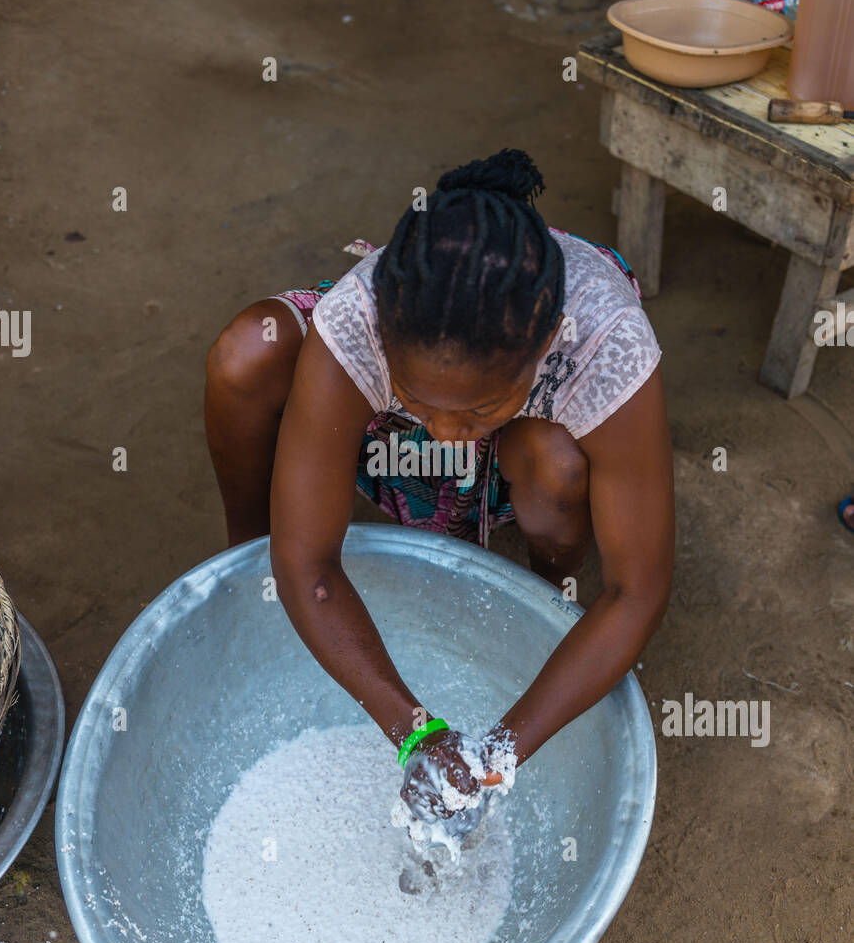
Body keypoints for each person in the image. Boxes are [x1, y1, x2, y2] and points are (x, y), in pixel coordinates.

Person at [205, 149, 674, 822]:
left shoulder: (604, 345)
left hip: (527, 454)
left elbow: (635, 592)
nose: (448, 437)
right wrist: (416, 732)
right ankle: (241, 572)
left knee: (558, 463)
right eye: (421, 402)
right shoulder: (357, 322)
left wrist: (497, 754)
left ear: (543, 348)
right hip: (387, 440)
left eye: (476, 409)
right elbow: (306, 561)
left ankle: (540, 598)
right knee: (249, 349)